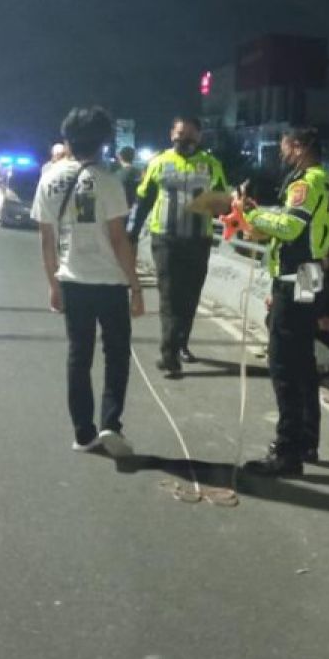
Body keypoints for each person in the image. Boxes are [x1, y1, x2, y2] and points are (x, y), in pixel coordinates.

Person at [31, 106, 145, 457]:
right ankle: (111, 423)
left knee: (78, 357)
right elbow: (118, 240)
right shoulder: (109, 182)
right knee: (116, 355)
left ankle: (83, 433)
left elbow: (46, 240)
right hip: (109, 285)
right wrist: (136, 288)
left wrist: (53, 284)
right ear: (102, 143)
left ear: (68, 140)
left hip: (73, 281)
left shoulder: (49, 179)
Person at [239, 126, 329, 476]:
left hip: (294, 275)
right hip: (312, 273)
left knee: (284, 365)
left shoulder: (305, 182)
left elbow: (289, 227)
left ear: (298, 147)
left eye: (285, 146)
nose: (282, 152)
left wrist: (251, 214)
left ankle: (287, 451)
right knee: (303, 361)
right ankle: (306, 441)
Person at [129, 116, 229, 377]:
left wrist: (232, 207)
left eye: (190, 135)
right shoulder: (158, 163)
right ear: (171, 134)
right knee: (169, 294)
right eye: (180, 134)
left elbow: (222, 202)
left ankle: (180, 341)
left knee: (190, 295)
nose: (184, 139)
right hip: (166, 238)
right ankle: (169, 354)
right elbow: (143, 200)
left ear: (199, 137)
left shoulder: (212, 165)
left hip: (199, 239)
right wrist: (132, 231)